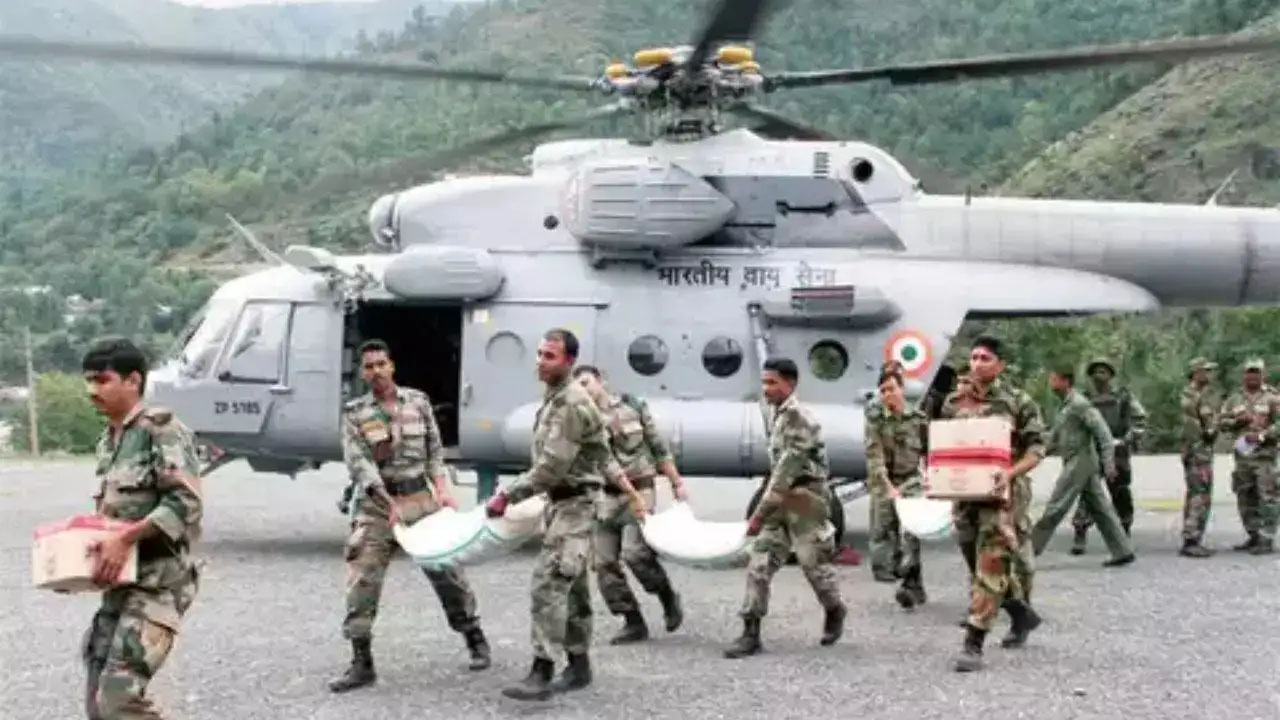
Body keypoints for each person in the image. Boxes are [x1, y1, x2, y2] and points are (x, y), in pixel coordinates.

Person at [485, 328, 647, 701]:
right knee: (572, 588)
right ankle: (578, 666)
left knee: (548, 583)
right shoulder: (557, 397)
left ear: (569, 361)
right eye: (539, 354)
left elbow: (551, 468)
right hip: (564, 503)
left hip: (575, 505)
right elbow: (601, 453)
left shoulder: (570, 403)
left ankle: (542, 670)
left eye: (550, 356)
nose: (540, 362)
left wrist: (507, 495)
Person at [329, 339, 491, 694]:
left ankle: (474, 636)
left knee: (447, 571)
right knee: (362, 578)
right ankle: (361, 662)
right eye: (369, 367)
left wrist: (442, 490)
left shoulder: (417, 402)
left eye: (381, 364)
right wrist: (389, 504)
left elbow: (435, 450)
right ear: (362, 373)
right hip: (378, 505)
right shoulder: (355, 413)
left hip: (421, 500)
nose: (376, 372)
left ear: (392, 366)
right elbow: (360, 464)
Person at [79, 337, 203, 719]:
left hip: (159, 585)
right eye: (88, 380)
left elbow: (186, 503)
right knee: (97, 701)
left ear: (133, 380)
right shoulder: (110, 439)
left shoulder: (161, 430)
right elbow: (117, 511)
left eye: (102, 380)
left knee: (118, 701)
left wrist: (126, 538)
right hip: (121, 583)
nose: (92, 390)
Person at [724, 357, 847, 658]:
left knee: (812, 564)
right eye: (764, 382)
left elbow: (783, 474)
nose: (766, 388)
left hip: (806, 498)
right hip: (780, 498)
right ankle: (750, 632)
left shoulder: (800, 419)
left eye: (772, 382)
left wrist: (758, 515)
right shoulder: (777, 414)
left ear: (790, 384)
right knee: (759, 563)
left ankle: (834, 608)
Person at [938, 336, 1044, 671]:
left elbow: (1037, 449)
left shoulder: (1018, 401)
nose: (977, 363)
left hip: (1003, 496)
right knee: (975, 559)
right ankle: (1019, 611)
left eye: (985, 358)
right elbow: (945, 446)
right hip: (966, 494)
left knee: (991, 563)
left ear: (1000, 365)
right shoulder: (954, 401)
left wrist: (1010, 473)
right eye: (974, 357)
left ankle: (973, 644)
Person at [572, 365, 687, 644]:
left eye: (586, 382)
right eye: (577, 386)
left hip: (640, 491)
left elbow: (658, 446)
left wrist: (676, 482)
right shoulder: (579, 418)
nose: (583, 389)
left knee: (635, 553)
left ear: (600, 381)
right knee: (603, 563)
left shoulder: (632, 406)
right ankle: (632, 620)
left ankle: (666, 595)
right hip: (604, 497)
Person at [1029, 367, 1136, 567]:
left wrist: (1109, 463)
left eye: (1053, 379)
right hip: (1074, 460)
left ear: (1065, 381)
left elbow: (1103, 434)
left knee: (1055, 507)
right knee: (1101, 509)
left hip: (1080, 462)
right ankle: (1123, 550)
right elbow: (1055, 438)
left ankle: (1027, 553)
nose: (1050, 383)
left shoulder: (1080, 404)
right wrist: (1035, 454)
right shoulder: (1065, 405)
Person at [1068, 357, 1147, 553]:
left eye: (1104, 371)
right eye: (1095, 371)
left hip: (1118, 450)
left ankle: (1124, 532)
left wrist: (1129, 437)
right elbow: (1071, 423)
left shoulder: (1123, 396)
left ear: (1111, 375)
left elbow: (1140, 419)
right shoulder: (1083, 398)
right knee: (1088, 493)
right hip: (1091, 451)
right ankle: (1080, 533)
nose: (1099, 374)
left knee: (1120, 492)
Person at [864, 369, 929, 610]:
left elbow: (929, 451)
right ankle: (901, 574)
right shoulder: (875, 420)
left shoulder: (918, 419)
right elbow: (875, 457)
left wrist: (930, 476)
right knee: (882, 535)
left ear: (902, 389)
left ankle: (911, 584)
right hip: (884, 480)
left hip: (911, 479)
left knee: (912, 532)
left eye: (891, 389)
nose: (887, 394)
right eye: (882, 391)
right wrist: (889, 488)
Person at [1217, 358, 1279, 555]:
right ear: (1244, 375)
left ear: (1263, 374)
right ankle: (1253, 534)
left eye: (1256, 372)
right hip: (1243, 456)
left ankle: (1266, 538)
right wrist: (1236, 422)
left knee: (1268, 497)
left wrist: (1262, 436)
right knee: (1245, 496)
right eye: (1249, 372)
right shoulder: (1234, 398)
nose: (1252, 376)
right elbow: (1221, 421)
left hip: (1265, 457)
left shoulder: (1273, 398)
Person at [866, 359, 905, 582]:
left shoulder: (907, 409)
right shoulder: (875, 411)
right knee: (881, 522)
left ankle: (897, 563)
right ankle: (881, 567)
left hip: (901, 471)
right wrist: (885, 482)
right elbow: (874, 452)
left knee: (899, 523)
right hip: (881, 473)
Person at [1179, 357, 1219, 557]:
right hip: (1198, 452)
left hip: (1198, 451)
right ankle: (1191, 540)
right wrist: (1217, 426)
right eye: (1206, 370)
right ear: (1196, 373)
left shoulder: (1197, 394)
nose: (1210, 374)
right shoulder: (1193, 396)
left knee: (1197, 493)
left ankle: (1192, 537)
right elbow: (1201, 429)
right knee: (1199, 495)